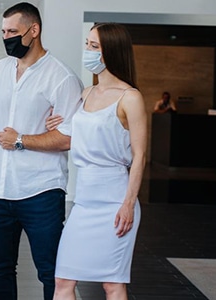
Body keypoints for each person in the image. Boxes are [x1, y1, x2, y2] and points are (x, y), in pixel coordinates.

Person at [0, 2, 83, 300]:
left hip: (41, 192)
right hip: (0, 193)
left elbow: (68, 137)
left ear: (34, 30)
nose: (7, 37)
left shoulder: (62, 77)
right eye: (4, 32)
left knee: (51, 272)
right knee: (0, 270)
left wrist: (21, 140)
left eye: (13, 31)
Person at [48, 23, 147, 300]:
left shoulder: (131, 98)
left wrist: (128, 203)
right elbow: (76, 131)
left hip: (115, 200)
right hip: (84, 202)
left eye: (94, 47)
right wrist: (57, 121)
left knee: (112, 284)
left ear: (111, 52)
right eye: (87, 45)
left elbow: (139, 155)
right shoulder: (86, 94)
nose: (87, 52)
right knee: (63, 281)